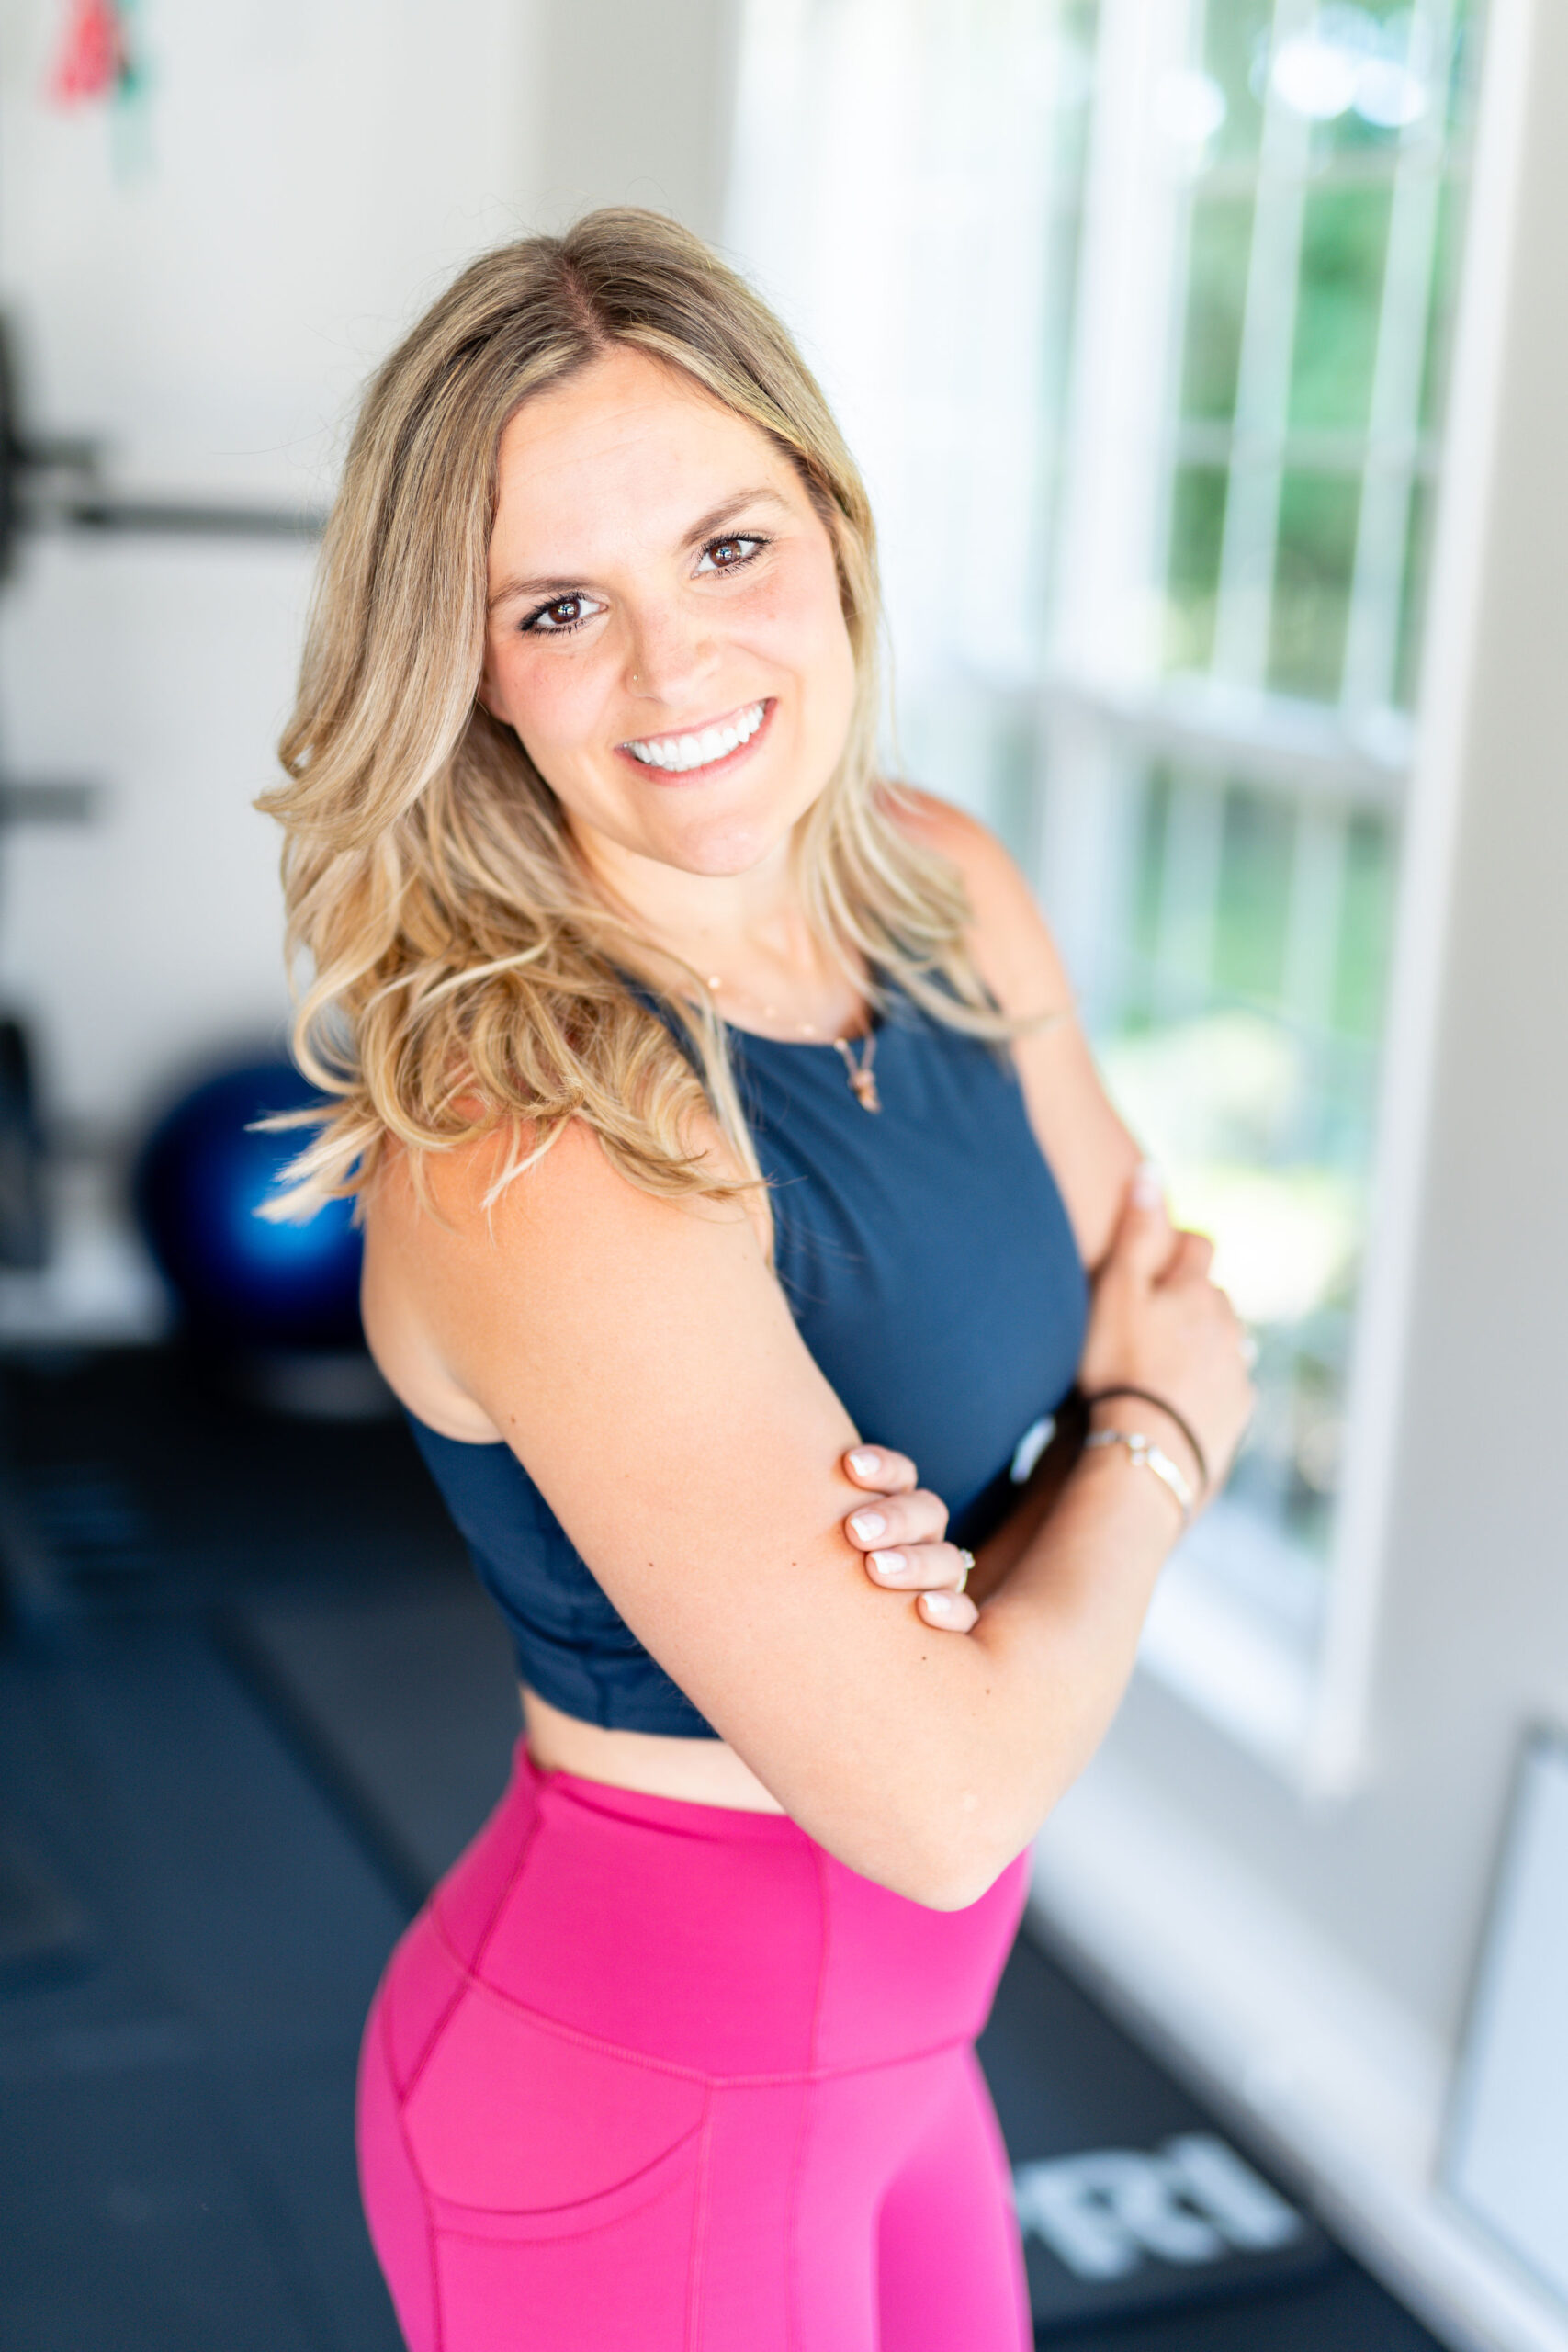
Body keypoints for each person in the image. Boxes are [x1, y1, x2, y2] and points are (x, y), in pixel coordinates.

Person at [261, 209, 1253, 2352]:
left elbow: (1168, 1297)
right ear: (467, 665)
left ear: (831, 529)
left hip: (902, 2069)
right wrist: (1142, 1456)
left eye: (726, 548)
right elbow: (938, 1794)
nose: (673, 667)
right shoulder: (540, 1122)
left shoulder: (943, 889)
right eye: (558, 605)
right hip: (636, 2103)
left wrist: (987, 1592)